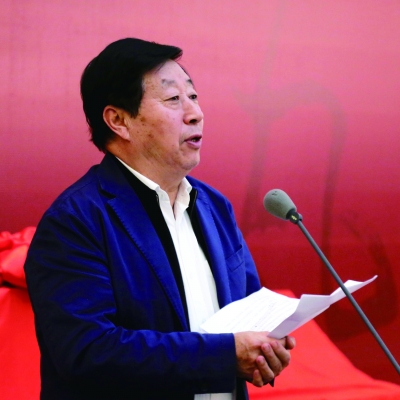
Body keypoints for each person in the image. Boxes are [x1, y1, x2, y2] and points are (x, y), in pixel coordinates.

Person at [24, 38, 295, 400]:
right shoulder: (75, 221)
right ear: (119, 120)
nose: (195, 113)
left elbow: (246, 311)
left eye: (193, 96)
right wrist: (223, 356)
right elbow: (88, 352)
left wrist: (265, 345)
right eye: (173, 99)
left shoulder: (214, 206)